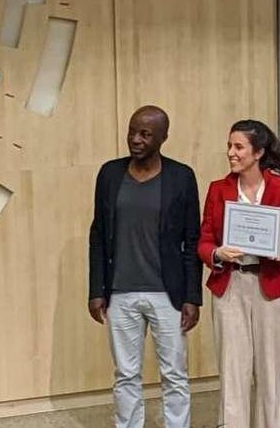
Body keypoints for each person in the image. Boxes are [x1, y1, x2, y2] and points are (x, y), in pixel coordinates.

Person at [88, 105, 202, 428]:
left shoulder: (181, 176)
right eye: (132, 131)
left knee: (175, 374)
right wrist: (96, 290)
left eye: (145, 134)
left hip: (169, 293)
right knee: (125, 374)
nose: (135, 139)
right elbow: (98, 234)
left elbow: (192, 239)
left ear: (163, 138)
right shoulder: (110, 174)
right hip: (120, 292)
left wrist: (192, 296)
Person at [197, 119, 280, 428]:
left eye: (238, 147)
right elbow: (203, 240)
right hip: (231, 285)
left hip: (274, 287)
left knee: (269, 371)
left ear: (258, 152)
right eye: (230, 145)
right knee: (232, 370)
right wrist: (217, 253)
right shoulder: (219, 189)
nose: (231, 152)